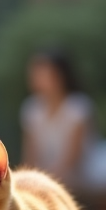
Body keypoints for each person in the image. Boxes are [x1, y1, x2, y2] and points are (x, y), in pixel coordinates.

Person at [20, 51, 93, 186]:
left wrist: (46, 180)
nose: (38, 79)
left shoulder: (77, 106)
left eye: (44, 74)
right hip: (47, 177)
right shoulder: (31, 109)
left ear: (60, 76)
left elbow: (73, 158)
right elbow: (30, 156)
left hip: (85, 175)